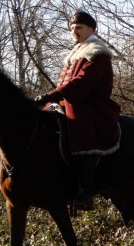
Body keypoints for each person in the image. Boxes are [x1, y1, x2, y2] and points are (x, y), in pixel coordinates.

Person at [35, 11, 121, 210]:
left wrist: (52, 95)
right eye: (72, 28)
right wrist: (49, 100)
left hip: (91, 107)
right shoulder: (75, 54)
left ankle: (85, 191)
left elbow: (81, 84)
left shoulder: (97, 53)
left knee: (79, 128)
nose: (74, 31)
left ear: (91, 29)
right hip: (69, 102)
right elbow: (64, 83)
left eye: (79, 27)